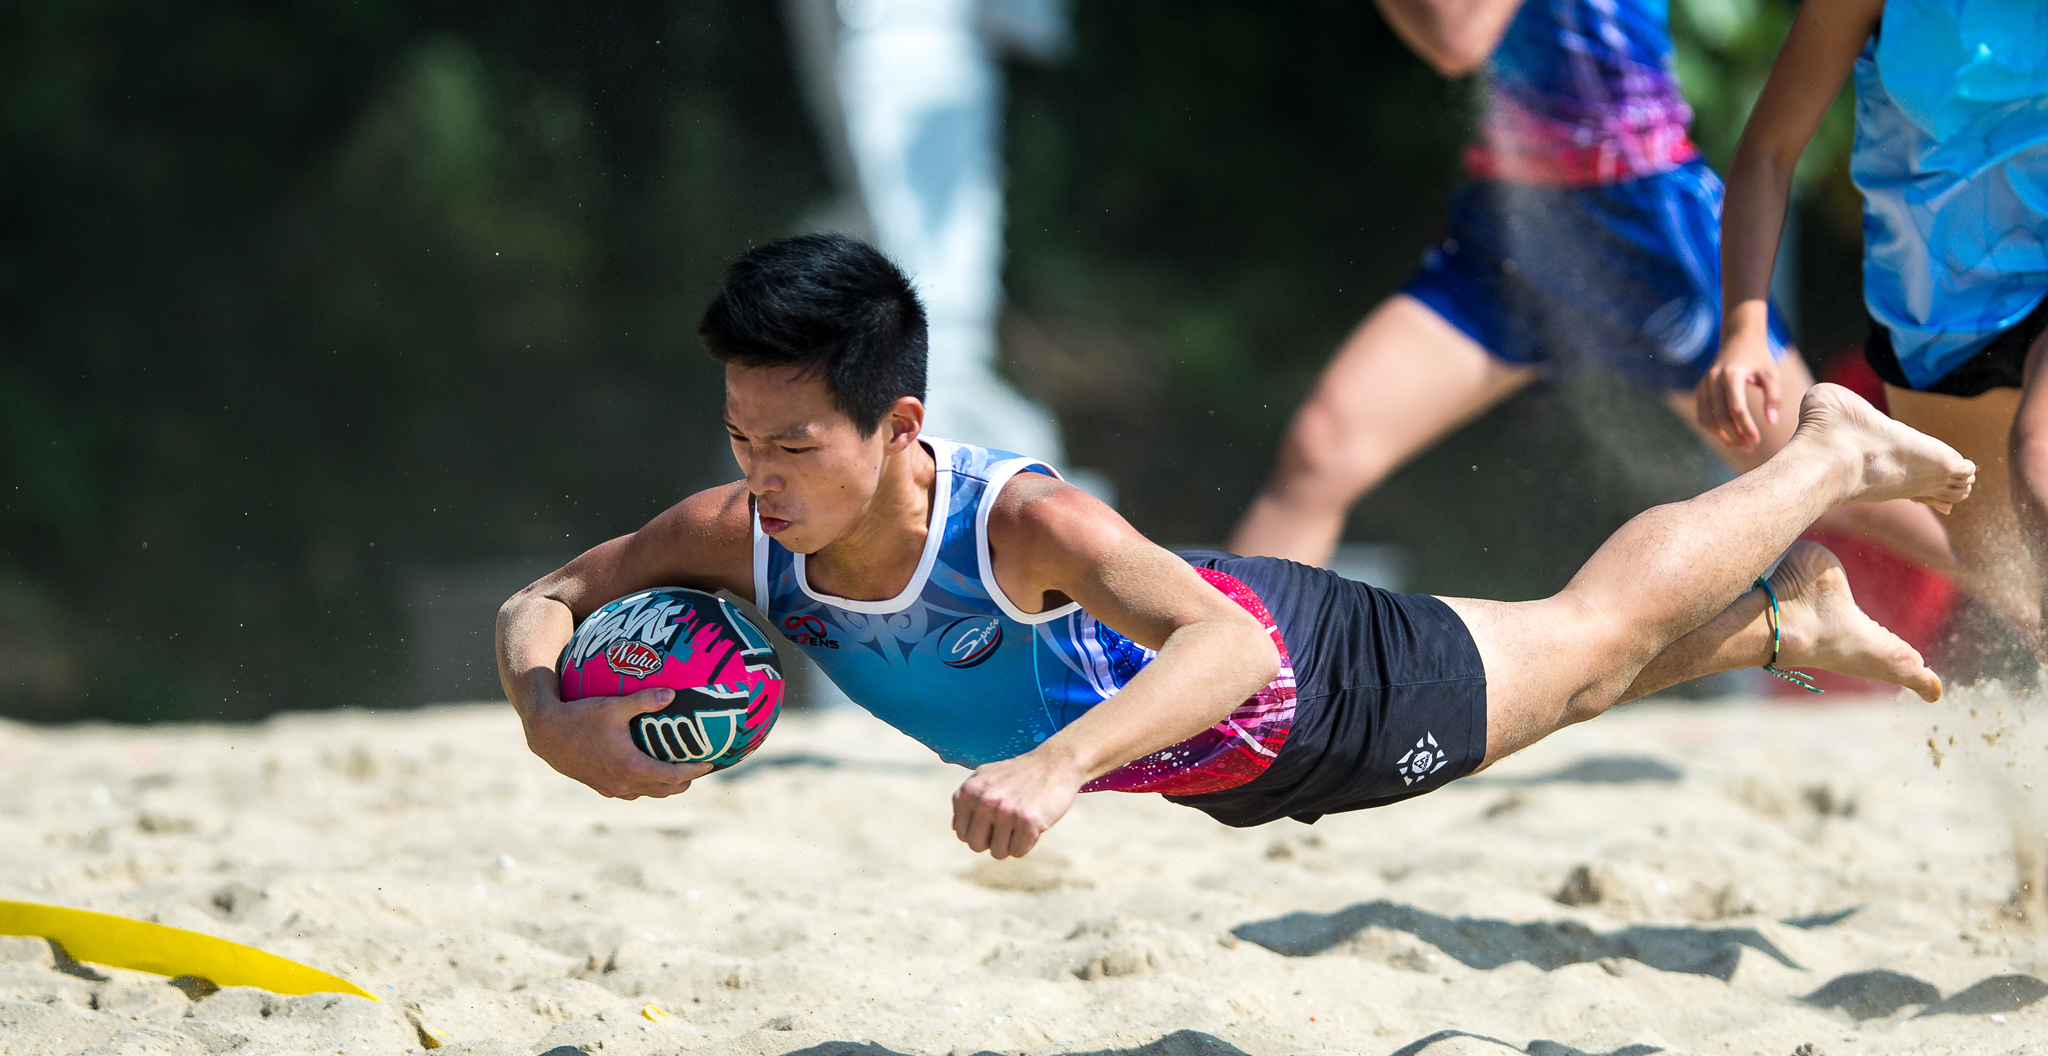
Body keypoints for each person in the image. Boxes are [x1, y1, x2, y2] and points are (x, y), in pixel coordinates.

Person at [497, 235, 1971, 860]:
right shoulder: (739, 535)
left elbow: (1231, 643)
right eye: (742, 439)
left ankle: (1831, 454)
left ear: (896, 424)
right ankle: (1793, 614)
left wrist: (1057, 763)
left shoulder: (1018, 526)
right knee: (1577, 682)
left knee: (1584, 643)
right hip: (1216, 775)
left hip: (1299, 684)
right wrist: (549, 710)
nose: (759, 478)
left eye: (794, 444)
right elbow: (553, 595)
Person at [1226, 0, 1951, 578]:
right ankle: (1219, 704)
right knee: (1322, 449)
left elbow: (1457, 33)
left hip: (1638, 220)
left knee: (1821, 465)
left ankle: (2025, 592)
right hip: (1510, 225)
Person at [1699, 0, 2048, 646]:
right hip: (1937, 320)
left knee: (2039, 456)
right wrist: (1744, 326)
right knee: (2017, 585)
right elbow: (1770, 151)